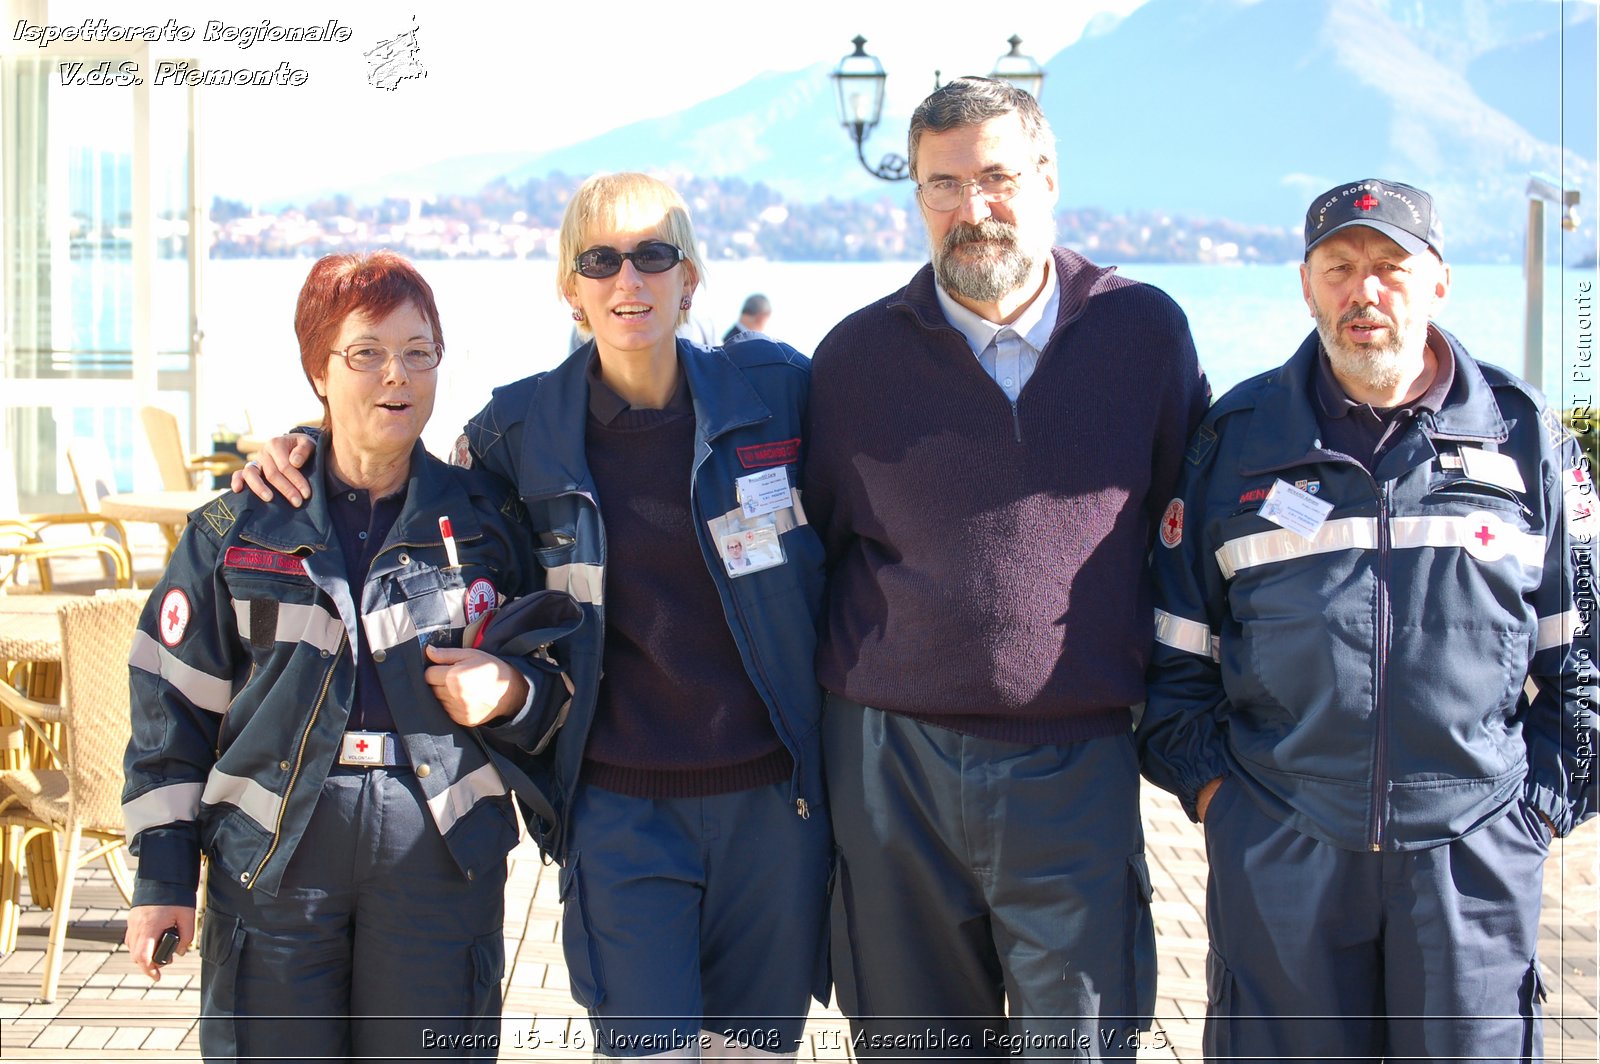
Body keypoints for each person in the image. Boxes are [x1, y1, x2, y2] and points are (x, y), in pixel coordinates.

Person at [237, 173, 831, 1059]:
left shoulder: (777, 393)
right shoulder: (522, 430)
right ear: (571, 287)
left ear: (690, 277)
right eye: (602, 260)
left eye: (652, 256)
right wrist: (312, 446)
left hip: (770, 812)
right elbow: (412, 478)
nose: (628, 280)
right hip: (621, 813)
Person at [1139, 178, 1597, 1061]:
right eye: (1340, 267)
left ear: (1438, 282)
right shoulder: (1233, 442)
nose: (1366, 291)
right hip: (1283, 844)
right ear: (1306, 285)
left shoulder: (1525, 437)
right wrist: (1220, 799)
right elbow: (1174, 653)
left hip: (1472, 860)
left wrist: (1535, 809)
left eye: (1391, 266)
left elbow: (1587, 660)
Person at [804, 77, 1209, 1057]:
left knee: (1078, 1038)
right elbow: (817, 545)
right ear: (915, 197)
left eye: (994, 177)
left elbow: (1185, 536)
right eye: (941, 184)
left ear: (1047, 179)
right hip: (888, 766)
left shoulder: (1143, 334)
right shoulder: (852, 358)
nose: (971, 208)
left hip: (1074, 761)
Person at [122, 251, 574, 1061]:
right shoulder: (237, 529)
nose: (395, 375)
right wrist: (161, 879)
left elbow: (564, 674)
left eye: (418, 352)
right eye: (364, 352)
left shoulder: (489, 524)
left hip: (438, 861)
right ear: (317, 371)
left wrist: (512, 689)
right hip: (275, 860)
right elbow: (171, 705)